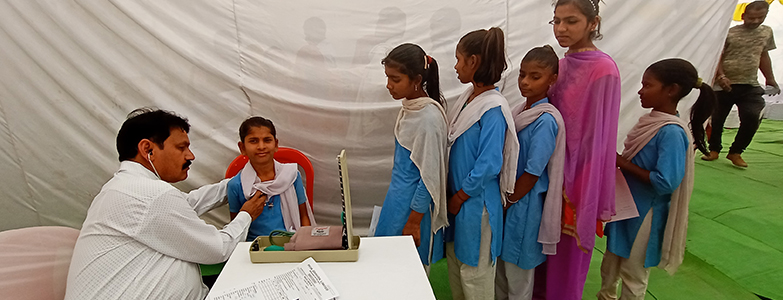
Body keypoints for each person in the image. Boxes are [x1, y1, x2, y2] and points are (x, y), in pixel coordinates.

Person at [65, 108, 267, 300]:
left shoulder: (124, 187)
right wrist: (246, 215)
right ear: (147, 149)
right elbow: (218, 249)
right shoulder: (151, 195)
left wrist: (240, 181)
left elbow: (186, 204)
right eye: (181, 147)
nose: (190, 156)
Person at [598, 58, 715, 300]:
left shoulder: (670, 132)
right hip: (627, 208)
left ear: (671, 90)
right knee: (610, 266)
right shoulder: (652, 122)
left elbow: (666, 182)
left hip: (645, 214)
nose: (640, 91)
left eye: (647, 85)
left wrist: (622, 163)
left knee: (633, 274)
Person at [540, 0, 622, 299]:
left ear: (593, 23)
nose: (561, 29)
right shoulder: (559, 66)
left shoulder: (603, 69)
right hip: (549, 172)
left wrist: (577, 185)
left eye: (571, 21)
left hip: (579, 180)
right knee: (539, 260)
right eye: (556, 21)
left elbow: (598, 138)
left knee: (566, 262)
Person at [446, 27, 519, 300]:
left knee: (475, 276)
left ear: (473, 62)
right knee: (457, 267)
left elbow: (489, 163)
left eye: (458, 59)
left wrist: (461, 195)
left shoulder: (493, 108)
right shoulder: (468, 99)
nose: (456, 66)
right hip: (460, 202)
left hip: (476, 205)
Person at [496, 45, 566, 300]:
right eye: (522, 74)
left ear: (553, 79)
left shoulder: (545, 121)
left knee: (519, 279)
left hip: (524, 207)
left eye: (535, 77)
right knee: (501, 273)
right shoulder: (519, 111)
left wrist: (508, 201)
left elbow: (533, 173)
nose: (525, 82)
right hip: (508, 202)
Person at [374, 43, 449, 268]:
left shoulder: (428, 119)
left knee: (407, 271)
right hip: (397, 201)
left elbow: (429, 178)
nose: (389, 85)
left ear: (416, 80)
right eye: (387, 77)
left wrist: (414, 223)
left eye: (395, 79)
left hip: (412, 210)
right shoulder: (411, 108)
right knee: (387, 268)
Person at [703, 0, 778, 168]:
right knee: (717, 119)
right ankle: (713, 149)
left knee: (752, 117)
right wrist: (721, 76)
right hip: (723, 85)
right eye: (752, 18)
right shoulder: (729, 33)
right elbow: (718, 56)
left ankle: (736, 152)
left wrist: (770, 78)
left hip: (750, 84)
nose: (755, 21)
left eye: (761, 17)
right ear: (743, 16)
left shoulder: (766, 32)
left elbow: (763, 56)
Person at [227, 116, 314, 241]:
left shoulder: (291, 176)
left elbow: (303, 216)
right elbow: (236, 227)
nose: (261, 146)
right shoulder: (235, 185)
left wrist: (305, 244)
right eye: (253, 141)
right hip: (254, 247)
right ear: (242, 148)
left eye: (267, 140)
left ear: (276, 144)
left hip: (291, 242)